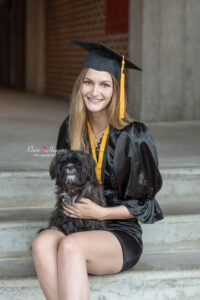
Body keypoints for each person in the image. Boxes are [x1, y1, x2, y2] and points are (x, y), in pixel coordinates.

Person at [32, 40, 164, 300]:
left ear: (116, 90)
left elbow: (148, 206)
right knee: (41, 243)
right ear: (80, 86)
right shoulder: (71, 127)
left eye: (105, 84)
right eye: (88, 82)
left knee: (70, 247)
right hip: (75, 224)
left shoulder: (134, 135)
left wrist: (101, 211)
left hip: (117, 231)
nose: (95, 91)